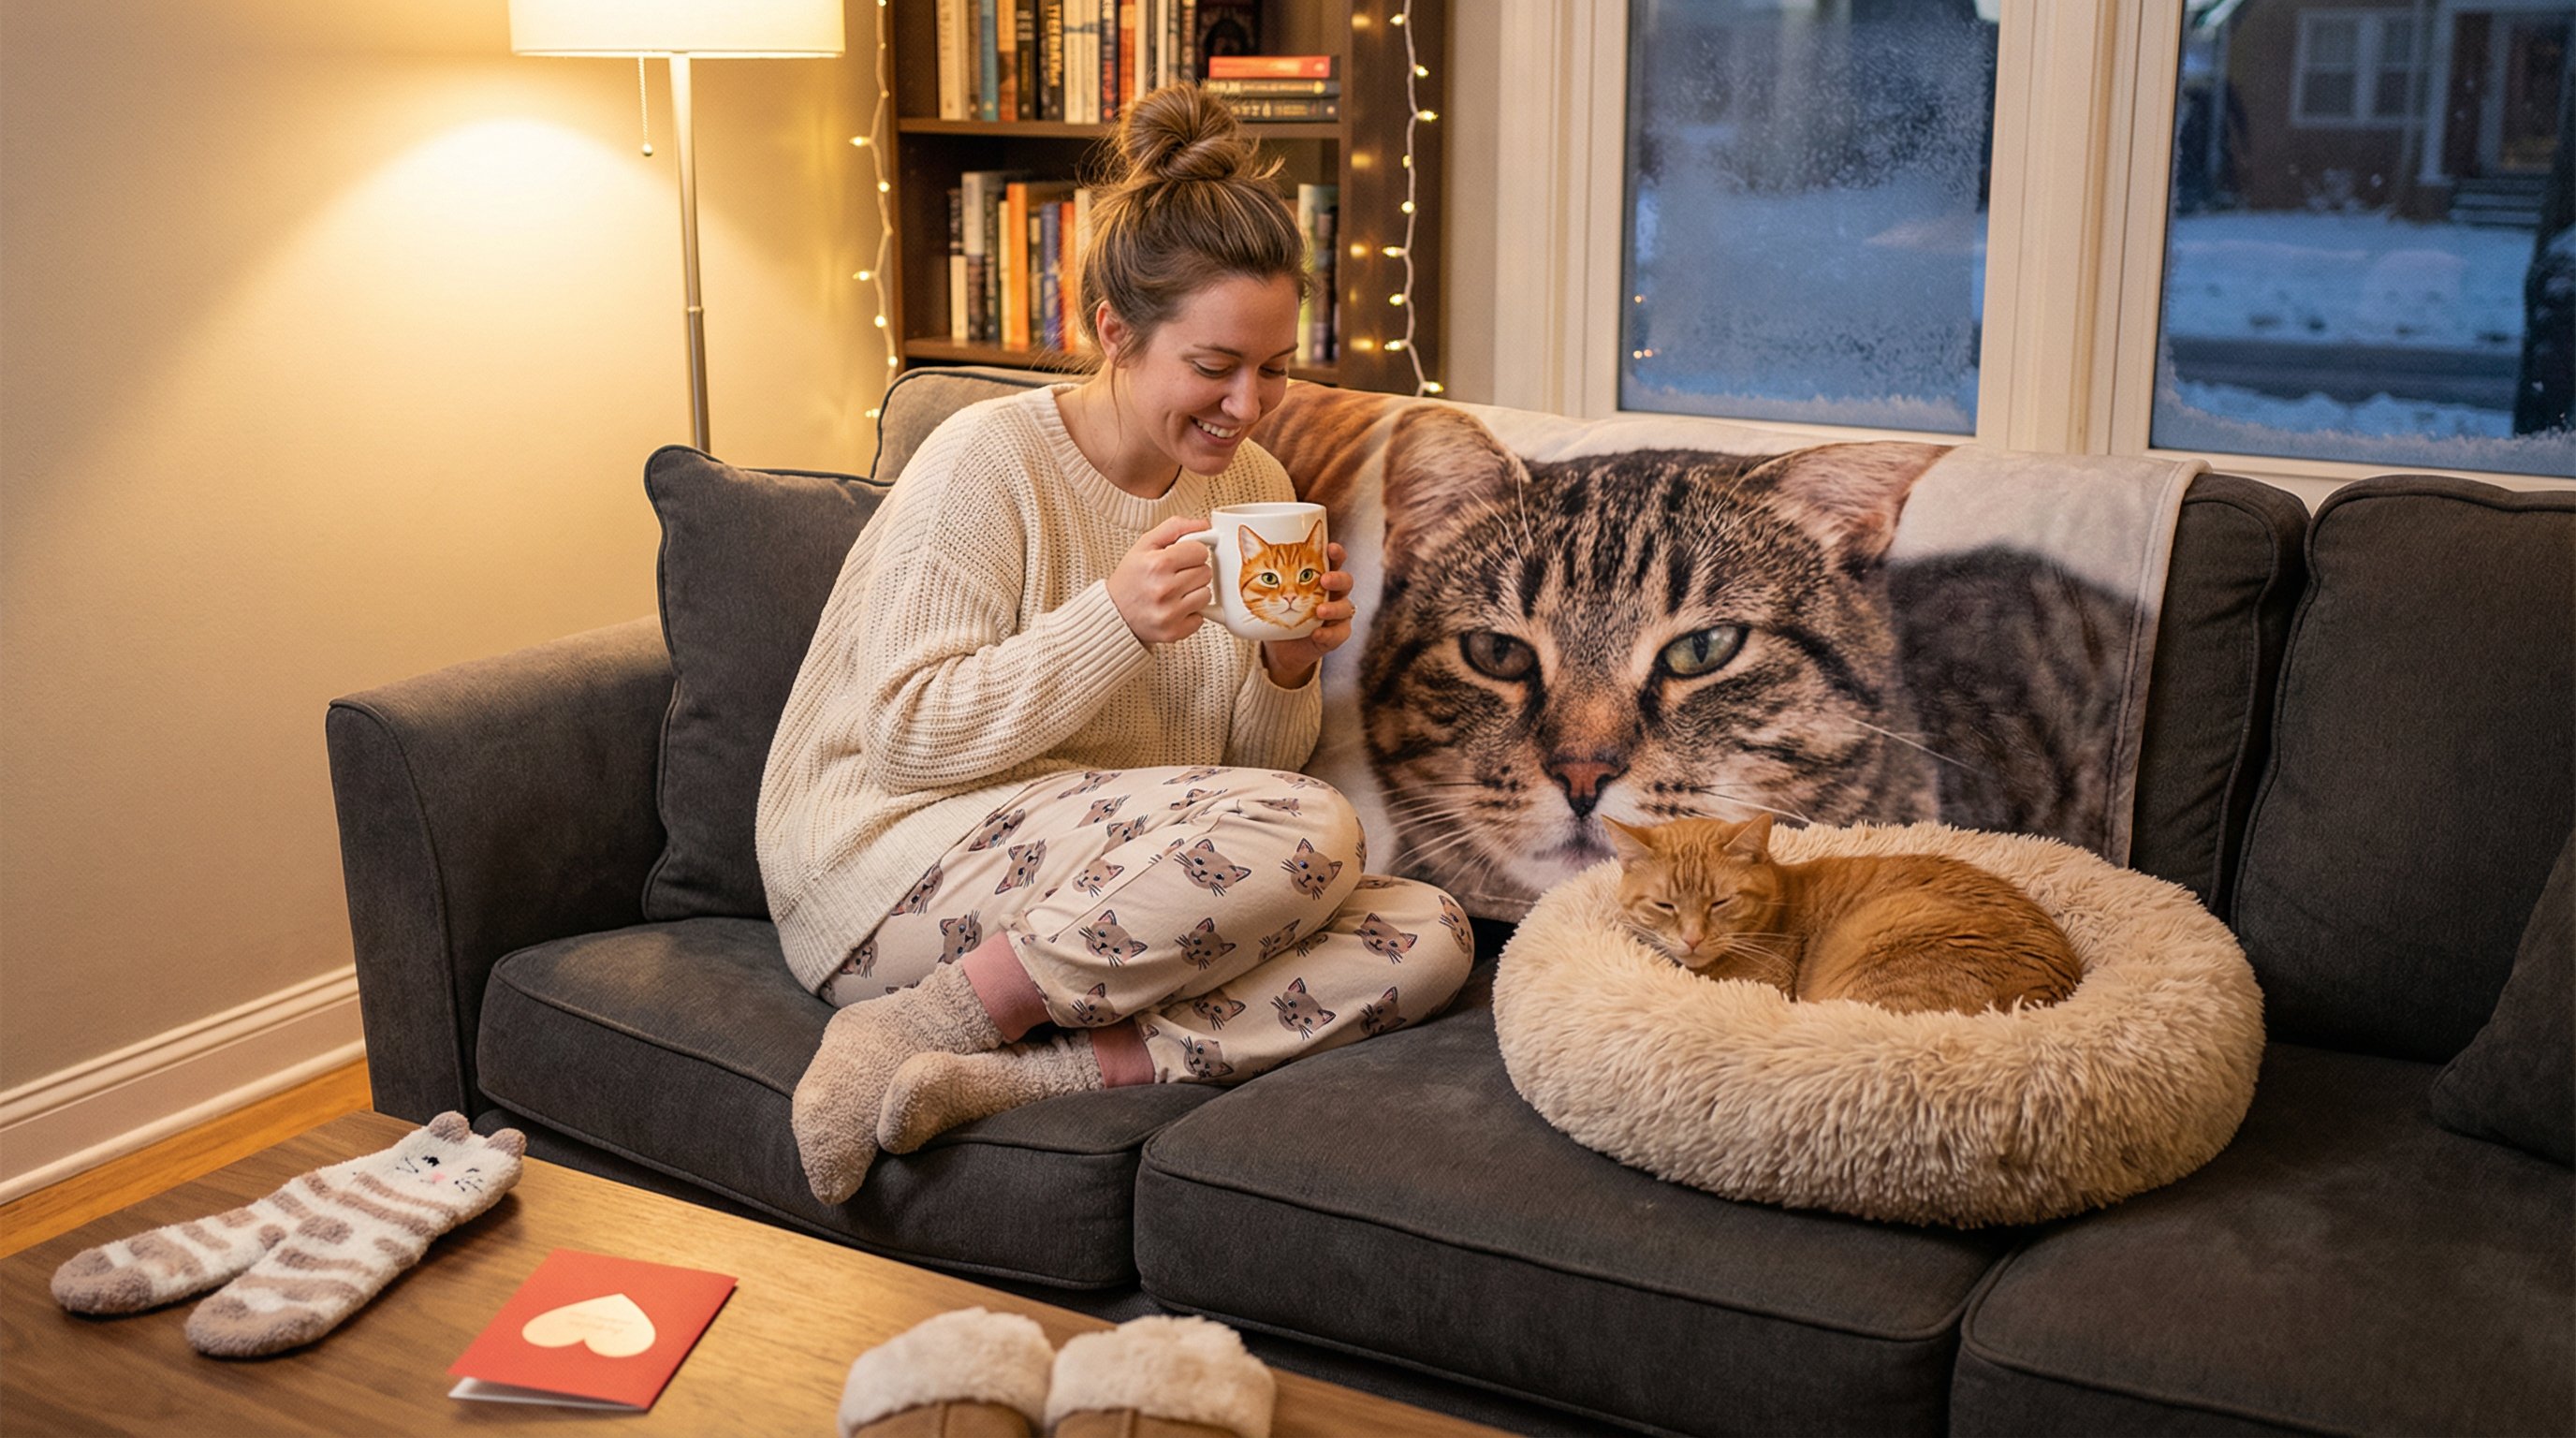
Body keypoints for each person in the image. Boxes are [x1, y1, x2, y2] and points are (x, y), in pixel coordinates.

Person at [758, 84, 1475, 1205]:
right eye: (1213, 364)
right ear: (1112, 333)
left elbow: (1241, 784)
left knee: (1425, 930)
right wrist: (1114, 621)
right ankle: (909, 1025)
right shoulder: (985, 460)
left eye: (1274, 365)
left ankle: (1016, 1079)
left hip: (1103, 880)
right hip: (883, 870)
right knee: (1312, 829)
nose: (1249, 403)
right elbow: (902, 735)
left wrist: (1286, 667)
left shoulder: (1254, 485)